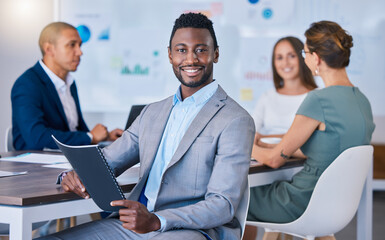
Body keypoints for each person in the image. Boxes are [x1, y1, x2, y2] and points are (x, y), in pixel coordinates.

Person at [37, 13, 255, 240]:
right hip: (133, 226)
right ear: (170, 55)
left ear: (215, 54)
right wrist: (71, 176)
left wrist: (158, 220)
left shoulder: (235, 119)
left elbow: (222, 204)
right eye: (181, 50)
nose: (191, 59)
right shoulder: (152, 113)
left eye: (201, 50)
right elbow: (107, 163)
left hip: (191, 230)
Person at [247, 20, 375, 224]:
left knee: (226, 198)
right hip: (336, 205)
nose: (304, 59)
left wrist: (246, 145)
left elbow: (273, 160)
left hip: (300, 202)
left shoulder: (318, 100)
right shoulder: (362, 101)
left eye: (304, 54)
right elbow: (327, 149)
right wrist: (263, 144)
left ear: (316, 59)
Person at [11, 22, 123, 151]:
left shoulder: (70, 83)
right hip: (36, 165)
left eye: (80, 45)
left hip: (67, 159)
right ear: (49, 49)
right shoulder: (27, 84)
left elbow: (75, 130)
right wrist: (90, 137)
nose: (80, 52)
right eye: (72, 45)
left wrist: (105, 137)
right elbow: (37, 138)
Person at [252, 36, 317, 145]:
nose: (285, 63)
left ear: (303, 58)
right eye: (279, 58)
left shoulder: (316, 96)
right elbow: (252, 131)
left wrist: (264, 138)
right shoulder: (267, 96)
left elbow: (312, 137)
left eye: (291, 56)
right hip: (263, 156)